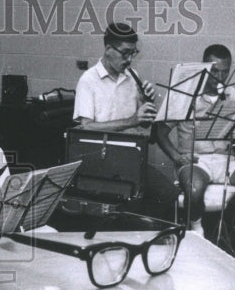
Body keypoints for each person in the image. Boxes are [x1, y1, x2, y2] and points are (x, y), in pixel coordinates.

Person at [158, 44, 235, 275]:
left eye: (225, 71)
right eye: (215, 71)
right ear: (204, 68)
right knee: (195, 187)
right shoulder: (183, 94)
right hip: (195, 160)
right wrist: (177, 157)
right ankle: (197, 232)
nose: (220, 77)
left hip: (224, 159)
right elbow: (159, 133)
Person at [71, 22, 178, 206]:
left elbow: (142, 125)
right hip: (102, 160)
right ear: (108, 50)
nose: (129, 59)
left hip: (130, 157)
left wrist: (146, 105)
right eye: (125, 53)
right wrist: (132, 120)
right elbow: (86, 127)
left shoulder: (131, 76)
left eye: (133, 53)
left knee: (168, 193)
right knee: (135, 200)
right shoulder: (88, 81)